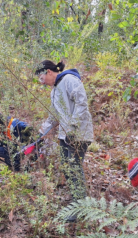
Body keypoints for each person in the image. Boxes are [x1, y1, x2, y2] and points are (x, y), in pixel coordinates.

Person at [35, 60, 93, 222]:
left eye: (41, 78)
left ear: (48, 72)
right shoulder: (54, 91)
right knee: (67, 168)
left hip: (79, 134)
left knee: (73, 168)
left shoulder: (69, 80)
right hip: (64, 135)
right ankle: (77, 202)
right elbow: (54, 115)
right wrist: (42, 132)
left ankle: (81, 208)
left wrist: (73, 128)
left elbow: (82, 104)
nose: (42, 82)